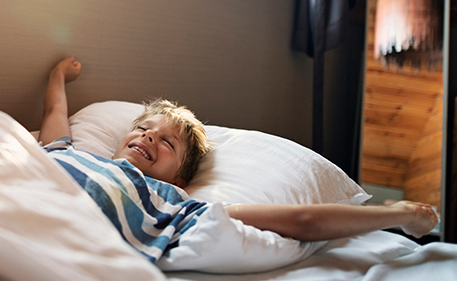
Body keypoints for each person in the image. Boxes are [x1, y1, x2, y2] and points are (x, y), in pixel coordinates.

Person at [39, 56, 438, 260]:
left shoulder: (172, 203)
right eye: (144, 129)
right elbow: (54, 116)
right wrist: (58, 74)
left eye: (167, 143)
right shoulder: (66, 153)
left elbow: (304, 221)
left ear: (177, 179)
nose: (149, 138)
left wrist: (402, 214)